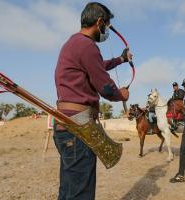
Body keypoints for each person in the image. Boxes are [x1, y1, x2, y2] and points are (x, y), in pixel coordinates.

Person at [54, 2, 131, 199]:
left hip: (69, 125)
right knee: (80, 193)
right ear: (99, 22)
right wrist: (121, 94)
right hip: (78, 127)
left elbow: (97, 65)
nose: (106, 31)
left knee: (70, 190)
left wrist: (121, 60)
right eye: (106, 25)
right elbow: (105, 87)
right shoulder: (87, 45)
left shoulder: (74, 43)